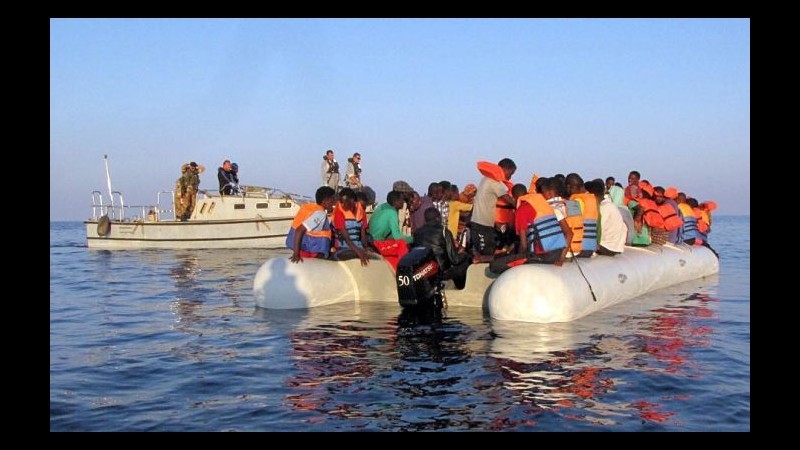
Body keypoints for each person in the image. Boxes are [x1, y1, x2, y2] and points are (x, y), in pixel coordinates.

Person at [489, 181, 572, 274]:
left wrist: (519, 260)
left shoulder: (523, 209)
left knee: (494, 266)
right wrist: (561, 258)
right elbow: (570, 232)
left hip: (544, 256)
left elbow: (523, 246)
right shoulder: (564, 203)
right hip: (562, 252)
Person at [412, 207, 471, 289]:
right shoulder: (444, 231)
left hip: (424, 271)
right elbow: (455, 259)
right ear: (438, 218)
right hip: (441, 272)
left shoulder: (417, 232)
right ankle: (460, 288)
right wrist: (465, 254)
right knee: (467, 261)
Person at [471, 158, 516, 263]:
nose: (510, 177)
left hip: (484, 225)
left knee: (488, 252)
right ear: (505, 170)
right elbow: (508, 199)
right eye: (511, 173)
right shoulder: (495, 182)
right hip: (481, 226)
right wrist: (521, 206)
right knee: (486, 256)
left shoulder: (486, 178)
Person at [287, 186, 337, 263]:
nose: (334, 202)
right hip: (311, 253)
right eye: (333, 199)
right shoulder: (320, 214)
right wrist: (296, 255)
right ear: (325, 201)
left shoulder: (309, 208)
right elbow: (299, 230)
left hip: (303, 249)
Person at [367, 190, 414, 270]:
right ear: (396, 202)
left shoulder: (382, 206)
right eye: (402, 200)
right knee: (402, 244)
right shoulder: (392, 213)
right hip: (377, 243)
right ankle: (403, 270)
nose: (403, 202)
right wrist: (412, 238)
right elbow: (397, 237)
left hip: (370, 239)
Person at [331, 187, 370, 266]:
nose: (342, 204)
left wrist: (366, 248)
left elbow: (363, 234)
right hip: (343, 247)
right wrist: (358, 251)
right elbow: (346, 238)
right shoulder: (339, 213)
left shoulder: (361, 211)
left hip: (358, 245)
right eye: (341, 202)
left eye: (344, 202)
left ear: (352, 201)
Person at [587, 179, 626, 256]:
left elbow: (598, 231)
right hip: (615, 246)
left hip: (608, 248)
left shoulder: (603, 208)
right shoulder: (610, 205)